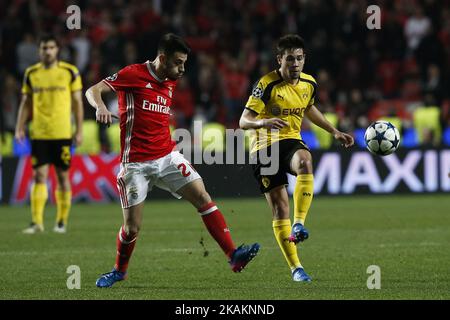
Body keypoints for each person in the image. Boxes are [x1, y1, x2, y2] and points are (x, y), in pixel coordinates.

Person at [85, 33, 260, 288]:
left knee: (203, 198)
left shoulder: (170, 80)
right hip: (136, 165)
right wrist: (100, 106)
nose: (182, 69)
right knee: (132, 228)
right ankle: (119, 270)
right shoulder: (133, 74)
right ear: (162, 58)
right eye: (178, 63)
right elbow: (93, 90)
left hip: (167, 156)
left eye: (184, 63)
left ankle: (233, 255)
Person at [239, 35, 354, 282]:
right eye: (290, 59)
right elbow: (243, 120)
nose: (295, 64)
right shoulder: (266, 84)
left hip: (290, 139)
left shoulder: (309, 83)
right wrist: (263, 121)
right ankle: (296, 268)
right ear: (280, 59)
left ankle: (299, 224)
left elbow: (309, 108)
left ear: (304, 59)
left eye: (299, 58)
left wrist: (333, 131)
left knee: (305, 161)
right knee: (281, 209)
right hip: (264, 148)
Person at [15, 34, 84, 234]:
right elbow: (26, 103)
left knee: (62, 177)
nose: (47, 51)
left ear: (57, 50)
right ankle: (37, 222)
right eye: (44, 48)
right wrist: (20, 126)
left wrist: (79, 130)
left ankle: (61, 221)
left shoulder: (69, 72)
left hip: (62, 132)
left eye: (51, 48)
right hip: (39, 132)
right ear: (40, 51)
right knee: (39, 175)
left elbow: (78, 103)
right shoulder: (31, 73)